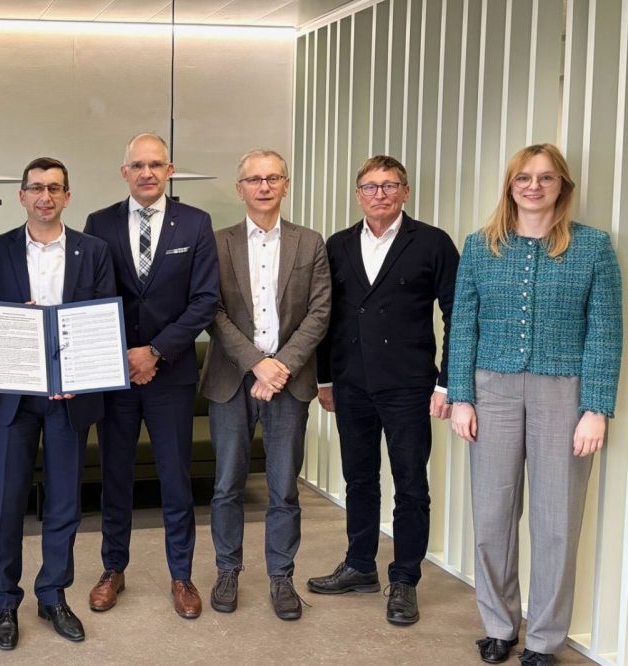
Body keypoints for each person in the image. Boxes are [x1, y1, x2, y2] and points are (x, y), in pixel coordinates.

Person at [448, 143, 621, 666]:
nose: (534, 186)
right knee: (492, 517)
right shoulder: (481, 247)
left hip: (563, 394)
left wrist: (596, 407)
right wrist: (461, 396)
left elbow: (606, 331)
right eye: (524, 177)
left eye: (546, 177)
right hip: (492, 390)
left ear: (562, 185)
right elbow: (463, 326)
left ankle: (544, 636)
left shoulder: (593, 246)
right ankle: (499, 625)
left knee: (556, 521)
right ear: (510, 185)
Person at [307, 155, 459, 626]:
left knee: (410, 485)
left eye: (390, 185)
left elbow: (457, 315)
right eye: (370, 187)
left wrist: (447, 382)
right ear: (358, 195)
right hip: (351, 383)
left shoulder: (432, 243)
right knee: (359, 479)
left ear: (405, 192)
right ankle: (359, 566)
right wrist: (325, 379)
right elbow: (324, 317)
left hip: (409, 386)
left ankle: (405, 579)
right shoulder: (337, 245)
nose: (380, 194)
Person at [0, 157, 115, 650]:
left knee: (64, 504)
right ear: (22, 196)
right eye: (36, 187)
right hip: (14, 398)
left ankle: (53, 594)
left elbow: (102, 319)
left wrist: (84, 374)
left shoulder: (93, 251)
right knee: (5, 503)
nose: (45, 196)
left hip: (70, 399)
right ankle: (4, 600)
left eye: (55, 188)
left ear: (67, 196)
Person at [84, 132, 218, 619]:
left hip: (172, 375)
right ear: (124, 172)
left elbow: (205, 300)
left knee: (175, 479)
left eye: (155, 164)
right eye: (137, 165)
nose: (146, 173)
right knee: (115, 476)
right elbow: (90, 296)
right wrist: (124, 355)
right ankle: (112, 569)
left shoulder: (196, 223)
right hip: (116, 373)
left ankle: (181, 575)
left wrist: (155, 352)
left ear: (169, 170)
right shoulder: (98, 223)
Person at [199, 149, 330, 621]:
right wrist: (257, 364)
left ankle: (281, 577)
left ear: (285, 185)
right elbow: (211, 310)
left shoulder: (309, 243)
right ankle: (227, 570)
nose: (264, 186)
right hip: (230, 380)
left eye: (273, 178)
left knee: (284, 489)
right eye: (254, 179)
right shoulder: (217, 243)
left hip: (289, 384)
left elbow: (320, 312)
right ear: (240, 189)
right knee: (226, 486)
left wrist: (280, 367)